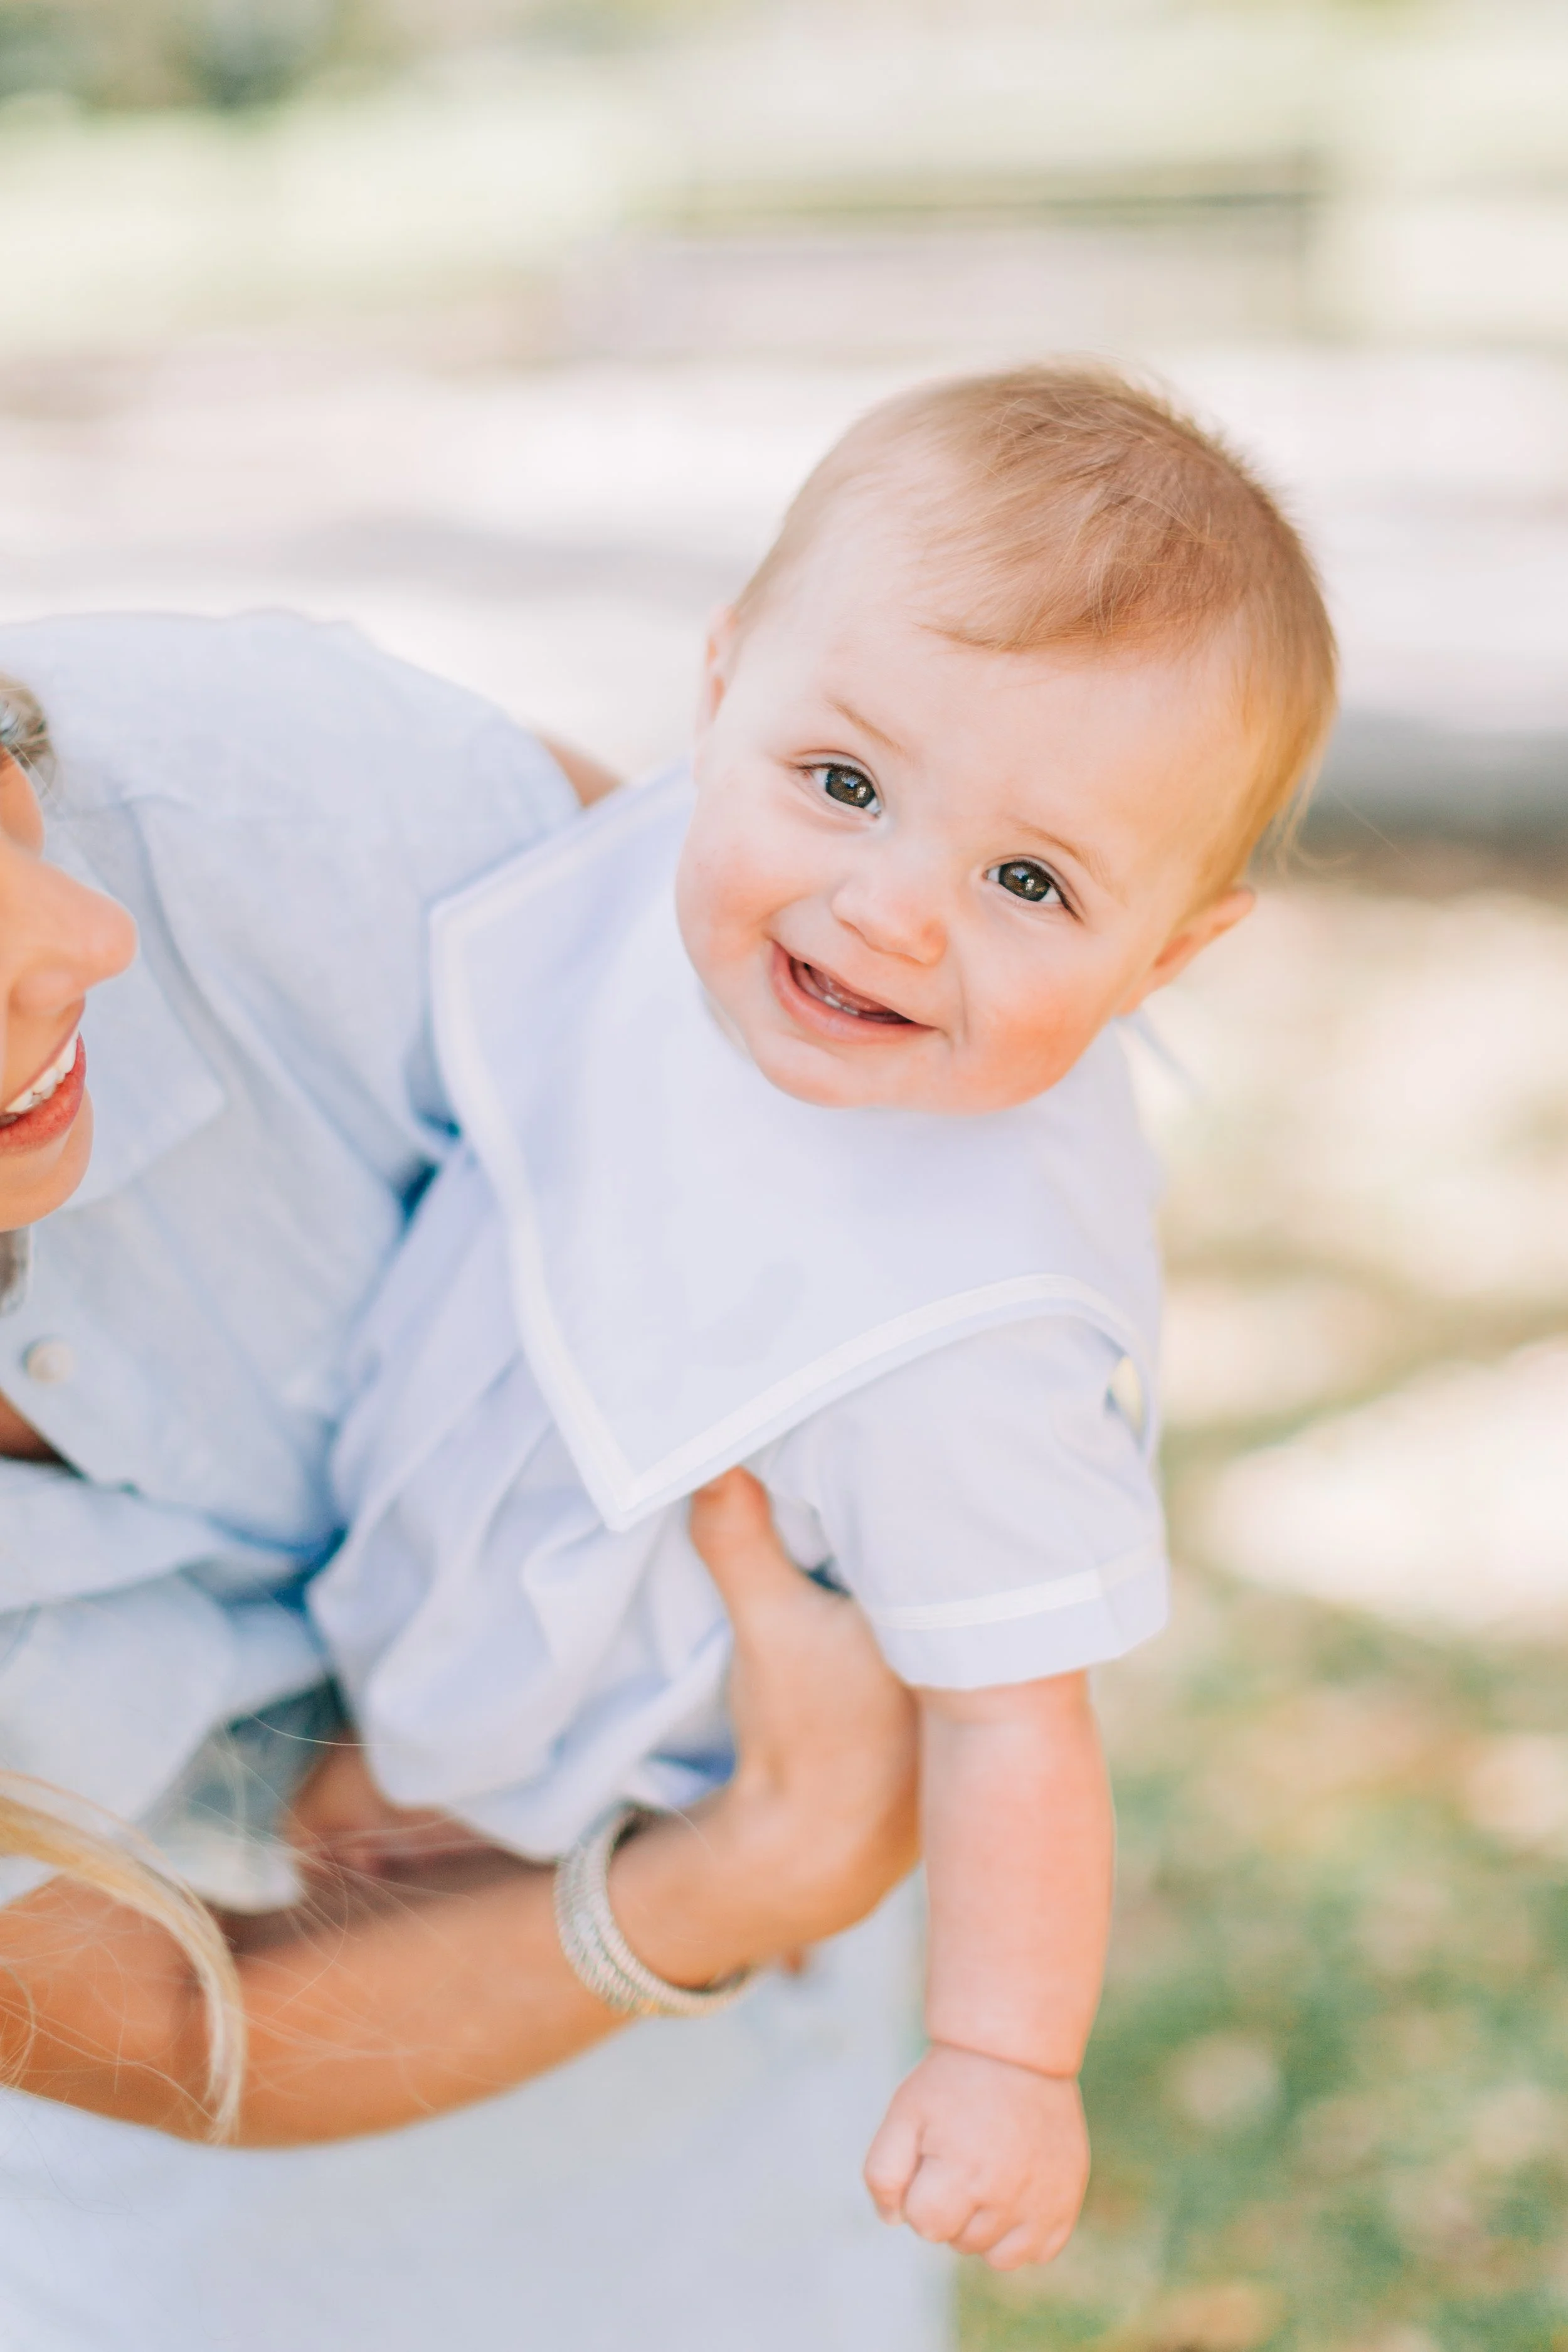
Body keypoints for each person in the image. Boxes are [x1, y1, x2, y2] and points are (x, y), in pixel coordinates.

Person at [307, 369, 1338, 2267]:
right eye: (844, 783)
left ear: (1165, 953)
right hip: (420, 1494)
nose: (889, 912)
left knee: (402, 1954)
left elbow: (1016, 1724)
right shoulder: (667, 889)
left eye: (1029, 881)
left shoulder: (966, 1342)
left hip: (585, 1773)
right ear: (717, 696)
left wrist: (1001, 2058)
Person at [0, 617, 937, 2351]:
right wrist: (749, 1868)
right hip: (212, 2242)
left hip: (748, 2097)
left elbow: (917, 1128)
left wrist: (845, 1758)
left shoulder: (286, 809)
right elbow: (166, 2021)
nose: (84, 935)